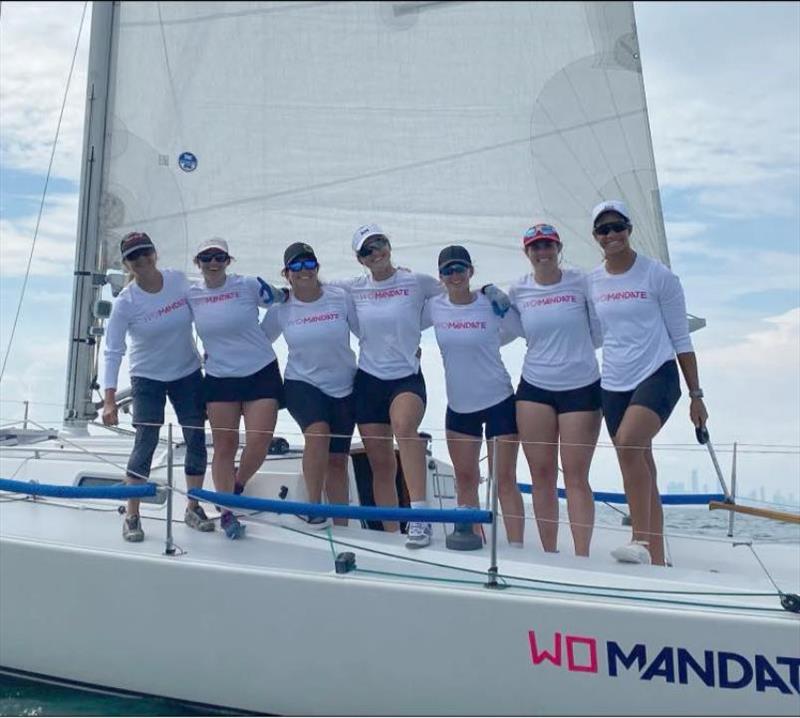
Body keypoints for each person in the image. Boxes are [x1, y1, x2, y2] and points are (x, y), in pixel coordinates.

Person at [587, 200, 708, 566]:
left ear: (629, 228)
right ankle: (656, 555)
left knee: (628, 444)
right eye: (604, 230)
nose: (612, 235)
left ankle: (638, 539)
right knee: (639, 459)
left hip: (658, 373)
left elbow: (682, 339)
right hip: (614, 381)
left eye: (618, 226)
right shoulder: (592, 281)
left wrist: (696, 396)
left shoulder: (659, 276)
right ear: (595, 237)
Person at [102, 231, 214, 542]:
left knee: (195, 437)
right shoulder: (126, 303)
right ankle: (133, 514)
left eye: (145, 252)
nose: (142, 260)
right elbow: (112, 351)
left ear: (155, 253)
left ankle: (193, 506)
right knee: (146, 440)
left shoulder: (178, 281)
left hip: (187, 372)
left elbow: (203, 312)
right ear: (126, 264)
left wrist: (213, 350)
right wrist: (110, 399)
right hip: (147, 377)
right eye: (134, 256)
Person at [508, 224, 602, 557]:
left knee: (576, 475)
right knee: (542, 474)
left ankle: (581, 556)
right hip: (535, 386)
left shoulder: (582, 281)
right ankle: (549, 554)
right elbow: (504, 326)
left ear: (559, 248)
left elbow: (600, 328)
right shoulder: (517, 290)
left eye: (548, 245)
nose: (542, 252)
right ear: (527, 253)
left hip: (581, 387)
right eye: (536, 247)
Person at [422, 246, 525, 546]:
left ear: (471, 271)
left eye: (460, 269)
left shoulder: (490, 303)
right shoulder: (434, 307)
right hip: (459, 407)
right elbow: (399, 317)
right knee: (465, 479)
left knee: (503, 480)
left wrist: (490, 291)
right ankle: (473, 542)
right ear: (440, 276)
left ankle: (517, 547)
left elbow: (524, 329)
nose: (454, 275)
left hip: (499, 401)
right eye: (447, 270)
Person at [187, 237, 286, 540]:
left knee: (258, 442)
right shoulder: (191, 295)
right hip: (219, 377)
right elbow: (168, 325)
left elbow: (284, 300)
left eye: (220, 257)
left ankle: (237, 486)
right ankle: (227, 510)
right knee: (224, 447)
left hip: (260, 372)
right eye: (207, 258)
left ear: (229, 261)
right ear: (198, 263)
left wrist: (265, 336)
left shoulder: (248, 285)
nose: (213, 263)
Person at [261, 242, 358, 529]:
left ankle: (342, 523)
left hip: (344, 386)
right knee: (318, 434)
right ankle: (313, 506)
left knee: (338, 460)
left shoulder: (339, 297)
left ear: (317, 268)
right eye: (296, 266)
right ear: (286, 273)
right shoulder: (282, 307)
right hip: (302, 382)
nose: (304, 271)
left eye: (309, 265)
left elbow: (367, 332)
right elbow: (258, 341)